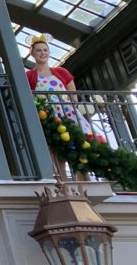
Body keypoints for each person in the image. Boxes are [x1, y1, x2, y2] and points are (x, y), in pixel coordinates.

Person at [26, 33, 91, 181]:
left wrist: (71, 107)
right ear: (32, 54)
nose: (42, 53)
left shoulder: (61, 72)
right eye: (39, 50)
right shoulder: (30, 75)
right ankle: (63, 182)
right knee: (56, 151)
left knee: (76, 146)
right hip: (48, 116)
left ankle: (84, 181)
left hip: (67, 114)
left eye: (45, 50)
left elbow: (73, 94)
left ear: (49, 53)